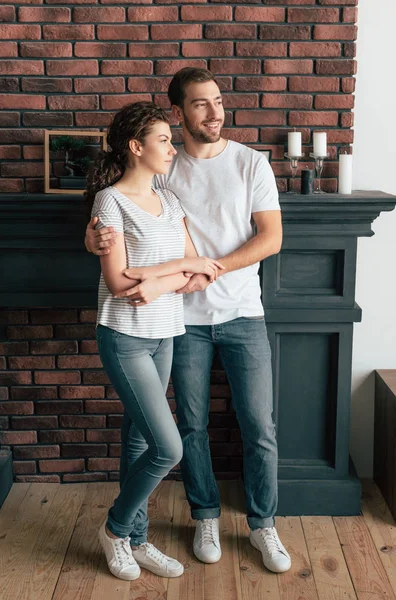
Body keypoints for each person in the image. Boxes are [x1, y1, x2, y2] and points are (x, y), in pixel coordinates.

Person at [86, 68, 292, 574]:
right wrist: (93, 241)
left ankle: (264, 525)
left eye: (218, 101)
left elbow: (270, 240)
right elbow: (113, 213)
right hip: (178, 322)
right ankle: (202, 516)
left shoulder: (249, 163)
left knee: (259, 427)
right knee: (188, 430)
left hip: (241, 311)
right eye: (200, 104)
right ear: (176, 115)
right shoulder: (162, 165)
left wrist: (191, 272)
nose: (214, 111)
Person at [85, 100, 225, 581]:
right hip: (124, 337)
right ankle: (116, 528)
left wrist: (156, 278)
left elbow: (200, 270)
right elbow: (122, 286)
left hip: (165, 332)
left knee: (140, 439)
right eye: (163, 140)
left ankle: (137, 541)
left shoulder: (170, 201)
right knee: (169, 448)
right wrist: (163, 273)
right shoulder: (110, 201)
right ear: (135, 146)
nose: (171, 147)